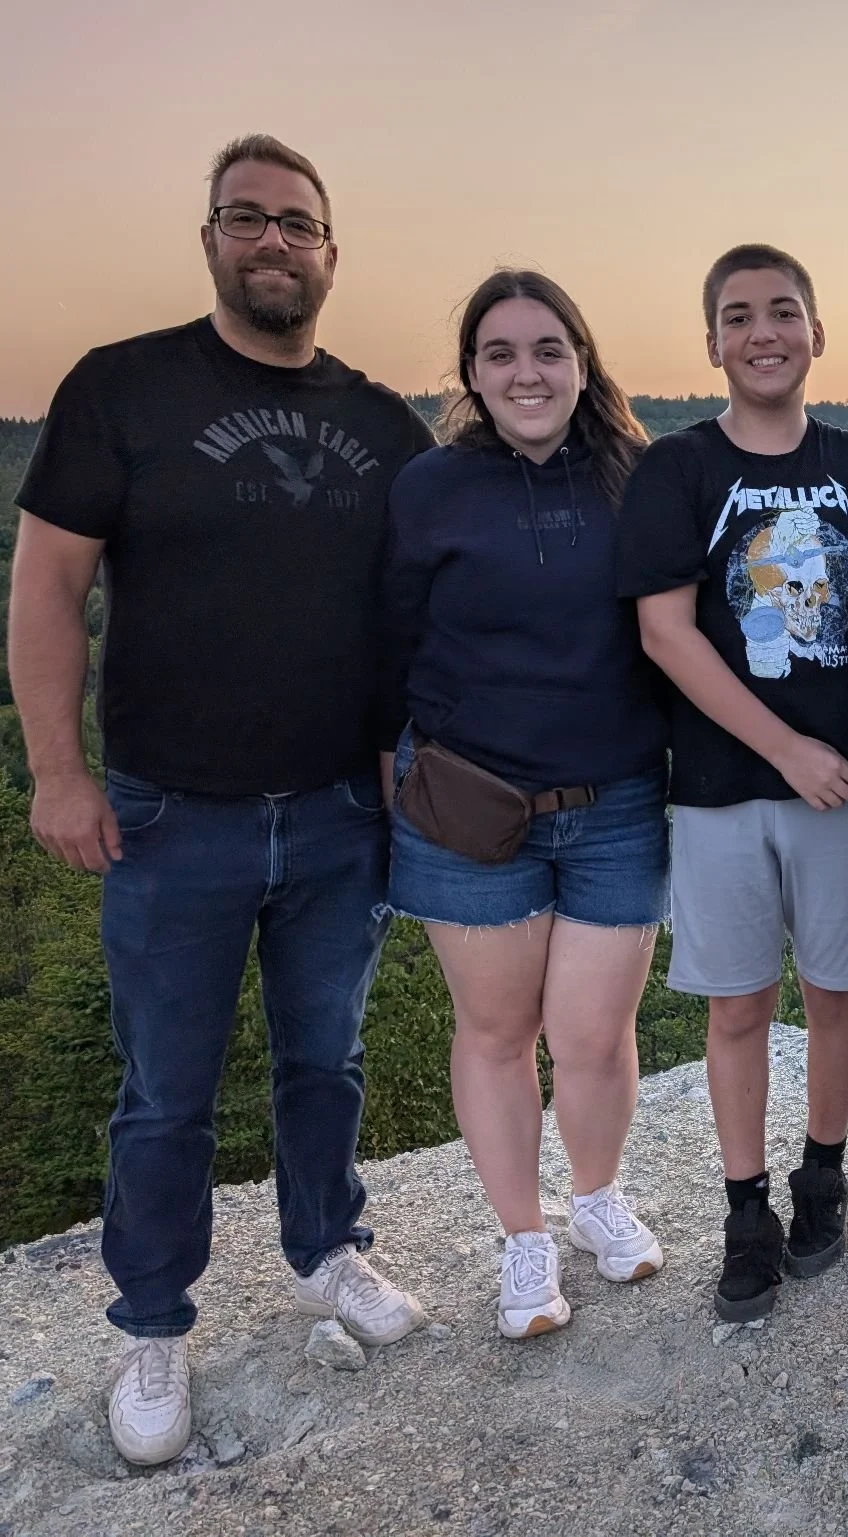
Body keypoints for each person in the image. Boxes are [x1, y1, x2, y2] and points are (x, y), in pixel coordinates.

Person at [7, 135, 435, 1467]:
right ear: (209, 241)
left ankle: (325, 1248)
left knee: (327, 1059)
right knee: (166, 1091)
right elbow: (47, 587)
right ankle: (151, 1321)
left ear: (331, 254)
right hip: (168, 817)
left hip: (338, 813)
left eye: (297, 224)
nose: (273, 242)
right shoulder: (121, 388)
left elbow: (424, 611)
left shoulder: (385, 426)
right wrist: (58, 771)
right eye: (246, 219)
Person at [617, 244, 848, 1323]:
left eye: (783, 312)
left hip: (847, 783)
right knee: (739, 1004)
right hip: (722, 784)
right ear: (712, 344)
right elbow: (666, 633)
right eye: (738, 317)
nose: (763, 333)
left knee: (836, 991)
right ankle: (746, 1211)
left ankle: (822, 1172)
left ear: (816, 332)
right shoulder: (680, 469)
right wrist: (784, 748)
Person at [378, 270, 669, 1338]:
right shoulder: (430, 488)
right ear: (471, 372)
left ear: (583, 362)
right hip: (471, 809)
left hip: (617, 802)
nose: (526, 372)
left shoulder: (638, 476)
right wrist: (387, 774)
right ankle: (524, 1238)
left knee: (594, 1033)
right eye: (499, 353)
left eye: (548, 349)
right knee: (499, 1032)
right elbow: (388, 639)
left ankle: (595, 1198)